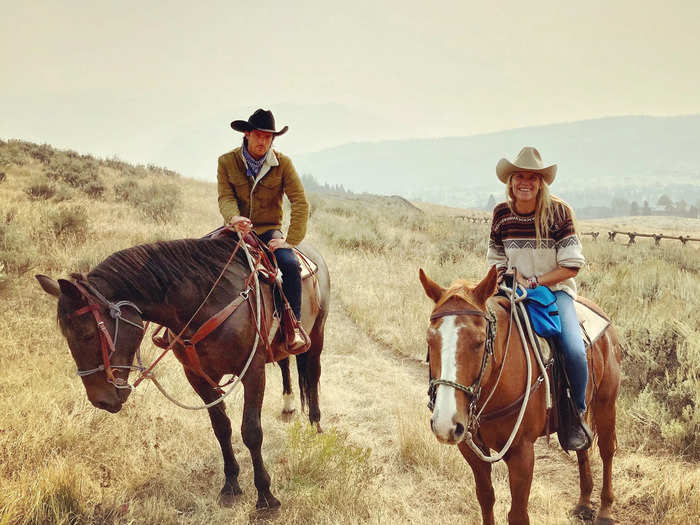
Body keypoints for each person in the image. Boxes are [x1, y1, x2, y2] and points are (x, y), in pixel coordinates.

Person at [486, 146, 591, 450]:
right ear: (511, 181)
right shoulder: (501, 214)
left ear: (541, 182)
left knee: (572, 349)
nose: (526, 182)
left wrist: (534, 282)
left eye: (533, 177)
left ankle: (575, 412)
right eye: (520, 176)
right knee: (481, 334)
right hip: (510, 291)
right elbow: (495, 256)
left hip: (554, 294)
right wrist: (507, 276)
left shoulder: (559, 212)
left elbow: (572, 265)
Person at [217, 108, 310, 353]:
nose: (263, 141)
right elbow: (226, 197)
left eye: (268, 137)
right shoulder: (227, 162)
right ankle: (180, 327)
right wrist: (233, 217)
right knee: (201, 255)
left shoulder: (283, 164)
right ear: (247, 134)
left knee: (289, 265)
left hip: (269, 231)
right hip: (236, 228)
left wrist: (290, 240)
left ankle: (292, 326)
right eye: (258, 135)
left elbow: (300, 201)